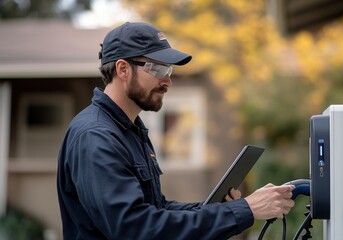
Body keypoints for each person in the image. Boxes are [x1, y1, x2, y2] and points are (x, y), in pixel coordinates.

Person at [57, 21, 295, 240]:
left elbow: (157, 209)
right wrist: (245, 211)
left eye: (168, 71)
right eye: (158, 69)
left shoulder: (130, 130)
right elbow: (136, 228)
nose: (167, 81)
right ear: (122, 69)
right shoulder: (96, 136)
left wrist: (224, 210)